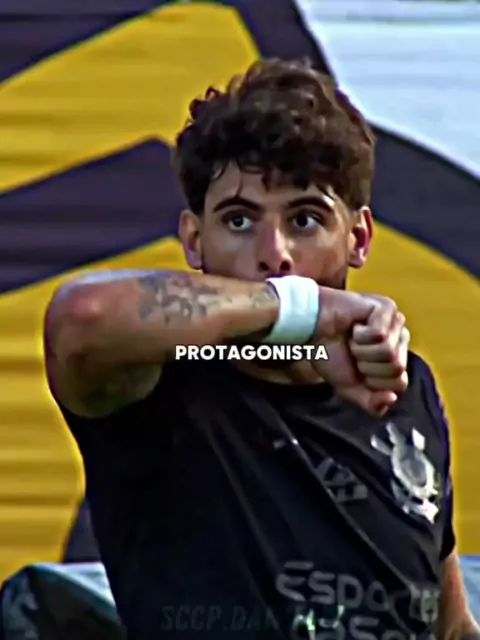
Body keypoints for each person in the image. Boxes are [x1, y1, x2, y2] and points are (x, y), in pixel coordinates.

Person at [44, 58, 478, 639]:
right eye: (240, 221)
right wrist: (305, 310)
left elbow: (450, 627)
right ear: (194, 240)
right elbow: (84, 317)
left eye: (305, 219)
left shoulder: (403, 384)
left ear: (358, 238)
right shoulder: (165, 379)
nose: (275, 254)